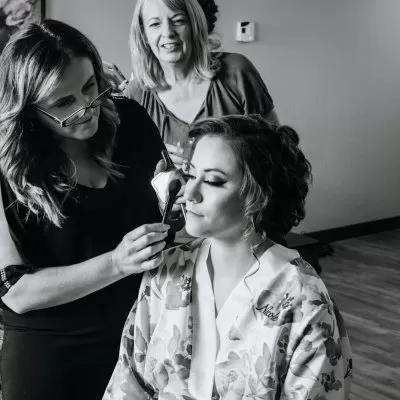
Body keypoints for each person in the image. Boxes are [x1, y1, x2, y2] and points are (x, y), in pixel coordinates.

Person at [103, 115, 352, 399]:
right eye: (191, 175)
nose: (190, 193)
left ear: (258, 195)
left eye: (213, 181)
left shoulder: (303, 298)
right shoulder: (167, 271)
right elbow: (129, 382)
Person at [0, 19, 176, 400]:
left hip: (140, 336)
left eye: (90, 86)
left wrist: (177, 199)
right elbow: (15, 291)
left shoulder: (130, 121)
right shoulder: (9, 170)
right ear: (28, 110)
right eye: (63, 103)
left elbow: (166, 194)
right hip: (53, 355)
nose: (85, 108)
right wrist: (116, 262)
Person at [112, 0, 279, 169]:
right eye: (155, 24)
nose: (168, 32)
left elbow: (278, 151)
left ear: (195, 25)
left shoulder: (237, 72)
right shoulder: (134, 95)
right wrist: (154, 158)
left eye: (178, 21)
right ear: (144, 35)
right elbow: (126, 170)